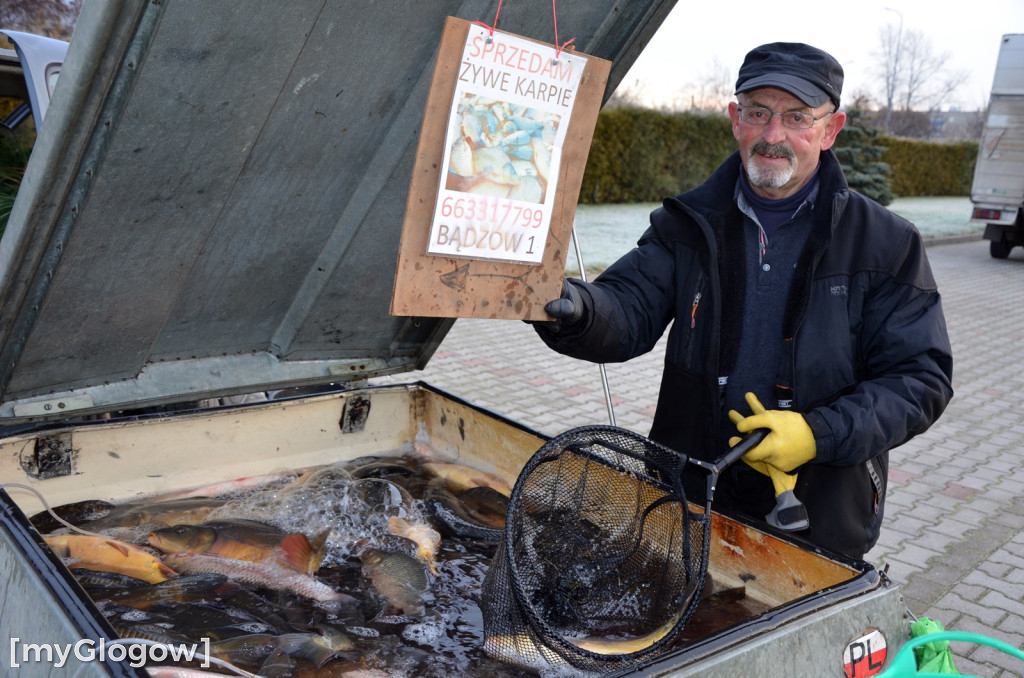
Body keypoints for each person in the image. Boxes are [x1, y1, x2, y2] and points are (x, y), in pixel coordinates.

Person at [532, 42, 954, 560]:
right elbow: (627, 309)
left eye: (797, 117)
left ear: (830, 130)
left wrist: (816, 434)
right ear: (736, 119)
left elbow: (920, 380)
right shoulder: (688, 224)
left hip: (817, 510)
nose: (773, 136)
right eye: (759, 113)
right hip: (688, 499)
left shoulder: (887, 244)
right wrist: (569, 304)